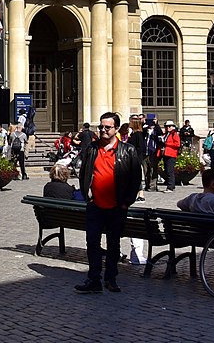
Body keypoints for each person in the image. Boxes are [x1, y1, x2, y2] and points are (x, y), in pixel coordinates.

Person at [75, 111, 142, 294]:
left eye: (107, 127)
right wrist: (87, 195)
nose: (103, 130)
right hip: (95, 205)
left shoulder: (127, 150)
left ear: (116, 129)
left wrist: (126, 202)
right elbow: (84, 173)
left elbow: (136, 178)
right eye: (101, 127)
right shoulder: (92, 149)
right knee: (92, 243)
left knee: (113, 244)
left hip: (116, 205)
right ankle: (94, 279)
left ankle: (111, 278)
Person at [159, 120, 181, 191]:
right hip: (165, 154)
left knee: (170, 171)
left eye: (168, 126)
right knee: (166, 170)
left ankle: (170, 186)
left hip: (171, 154)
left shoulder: (174, 134)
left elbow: (177, 144)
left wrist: (166, 143)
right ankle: (171, 185)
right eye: (165, 126)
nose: (166, 128)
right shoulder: (166, 134)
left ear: (172, 127)